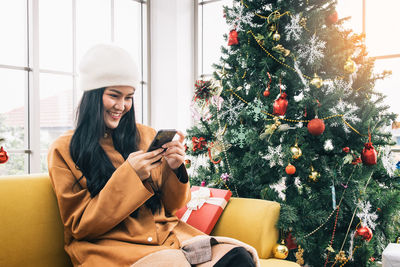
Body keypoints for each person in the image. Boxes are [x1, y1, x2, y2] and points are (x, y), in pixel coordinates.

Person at [47, 43, 259, 267]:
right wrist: (130, 175)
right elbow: (79, 227)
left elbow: (173, 206)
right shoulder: (64, 150)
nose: (122, 105)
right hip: (116, 251)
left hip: (173, 241)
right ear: (93, 95)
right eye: (114, 95)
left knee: (238, 258)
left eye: (129, 97)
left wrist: (175, 169)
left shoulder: (145, 135)